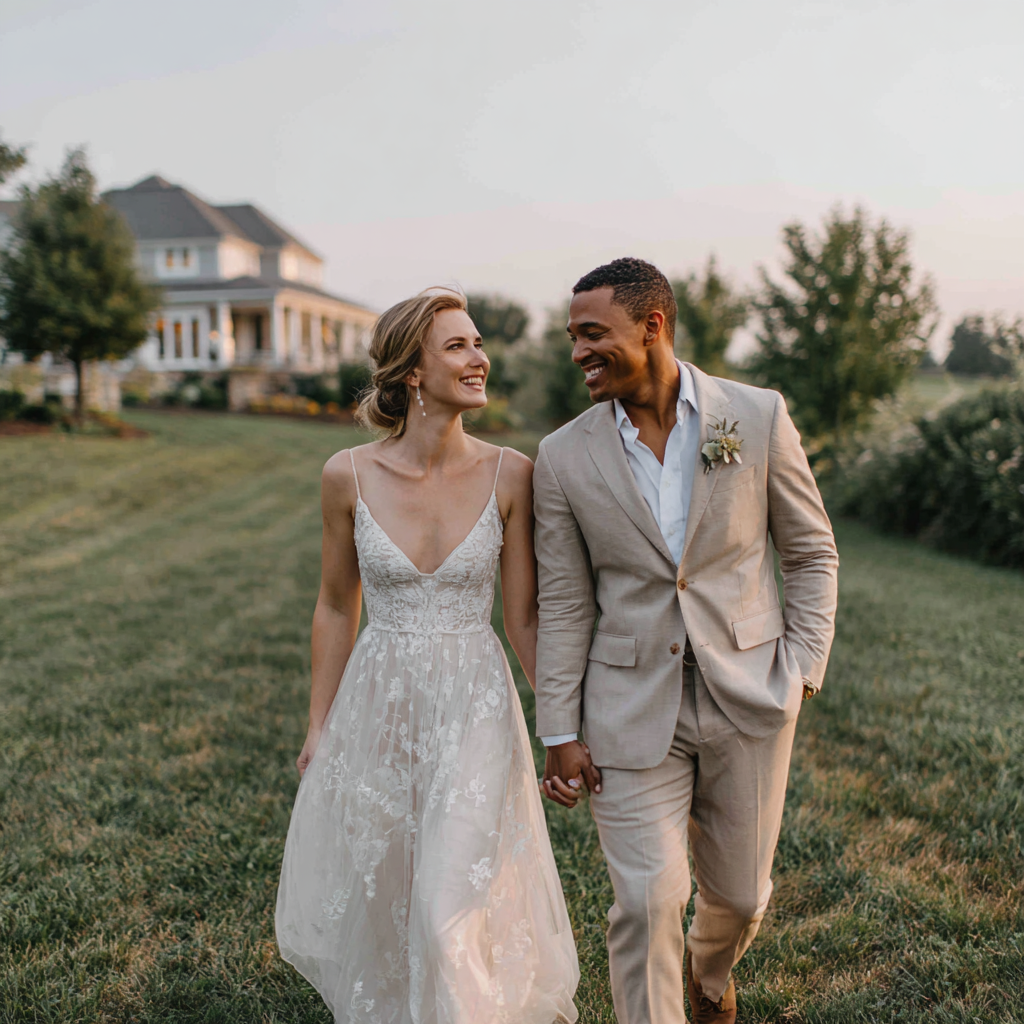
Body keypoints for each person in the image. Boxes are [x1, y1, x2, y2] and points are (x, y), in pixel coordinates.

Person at [533, 259, 839, 1024]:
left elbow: (809, 552)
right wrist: (560, 728)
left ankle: (710, 976)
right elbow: (567, 603)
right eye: (573, 337)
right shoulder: (563, 457)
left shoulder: (757, 416)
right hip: (629, 703)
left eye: (593, 334)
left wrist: (802, 667)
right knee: (646, 900)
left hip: (752, 693)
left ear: (653, 326)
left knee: (738, 898)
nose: (578, 351)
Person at [276, 288, 579, 1024]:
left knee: (448, 904)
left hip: (474, 705)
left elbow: (524, 620)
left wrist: (560, 730)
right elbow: (335, 605)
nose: (479, 359)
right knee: (390, 894)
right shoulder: (346, 475)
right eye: (458, 346)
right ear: (413, 370)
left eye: (478, 344)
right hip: (378, 703)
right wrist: (320, 725)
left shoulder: (513, 474)